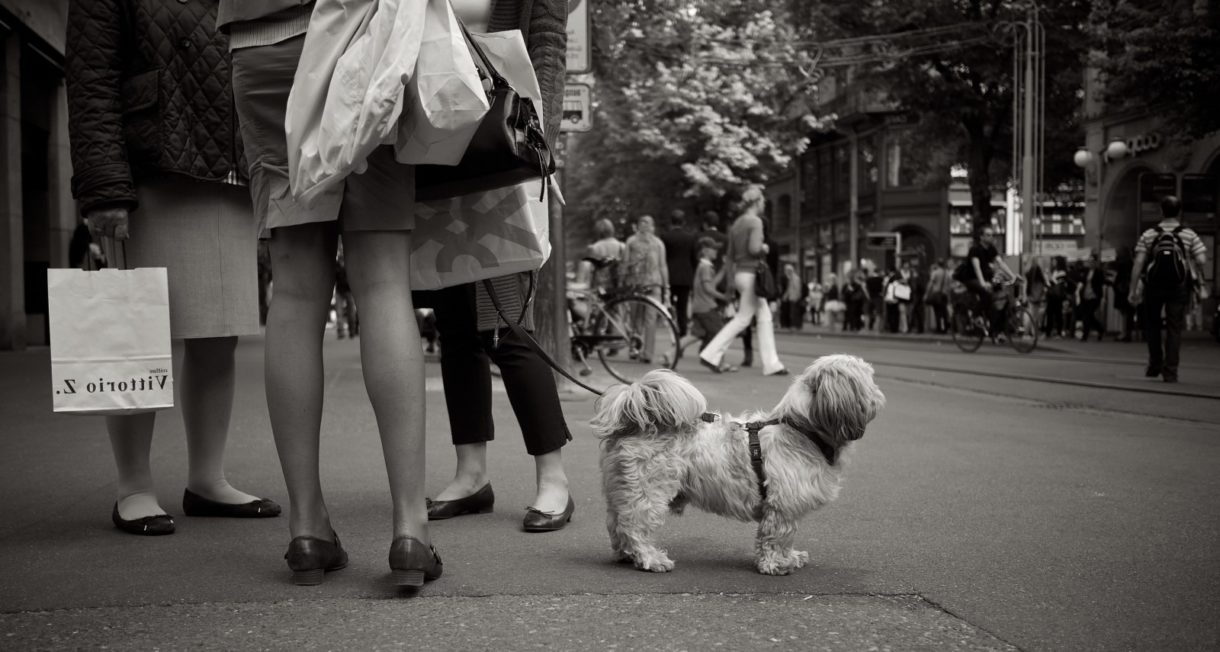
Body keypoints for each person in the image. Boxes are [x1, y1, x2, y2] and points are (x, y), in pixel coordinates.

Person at [66, 0, 280, 537]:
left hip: (229, 166)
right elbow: (90, 76)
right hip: (151, 166)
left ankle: (207, 479)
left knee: (218, 334)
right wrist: (103, 187)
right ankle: (134, 486)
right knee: (137, 331)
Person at [698, 187, 787, 376]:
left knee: (763, 317)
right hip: (752, 274)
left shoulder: (737, 224)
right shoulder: (755, 222)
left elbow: (729, 256)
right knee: (743, 318)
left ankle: (772, 363)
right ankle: (711, 353)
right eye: (762, 201)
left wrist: (730, 282)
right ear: (756, 203)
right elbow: (754, 248)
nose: (763, 205)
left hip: (740, 275)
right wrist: (765, 247)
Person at [1130, 195, 1210, 382]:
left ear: (1161, 211)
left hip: (1154, 285)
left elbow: (1139, 263)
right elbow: (1202, 260)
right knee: (1175, 327)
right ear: (1179, 212)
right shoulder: (1189, 234)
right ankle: (1171, 370)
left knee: (1153, 324)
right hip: (1178, 285)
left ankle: (1154, 364)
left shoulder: (1149, 234)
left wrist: (1133, 290)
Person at [677, 237, 733, 366]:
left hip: (699, 306)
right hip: (706, 307)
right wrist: (723, 297)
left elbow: (710, 284)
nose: (716, 252)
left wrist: (724, 269)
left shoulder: (703, 266)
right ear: (705, 250)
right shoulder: (706, 267)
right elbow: (708, 288)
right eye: (714, 249)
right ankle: (716, 361)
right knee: (721, 333)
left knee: (695, 335)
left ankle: (670, 354)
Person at [952, 226, 1017, 335]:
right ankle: (976, 315)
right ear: (981, 237)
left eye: (992, 235)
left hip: (986, 277)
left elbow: (1001, 263)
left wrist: (1012, 276)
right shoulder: (975, 249)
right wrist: (982, 283)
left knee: (1000, 294)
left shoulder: (991, 249)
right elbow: (976, 268)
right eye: (988, 235)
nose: (991, 237)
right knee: (985, 293)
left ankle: (995, 328)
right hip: (971, 278)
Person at [623, 214, 669, 362]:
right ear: (638, 225)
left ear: (653, 226)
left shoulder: (658, 244)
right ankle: (634, 348)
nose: (644, 225)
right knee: (635, 319)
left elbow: (663, 265)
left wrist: (666, 287)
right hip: (635, 284)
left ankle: (648, 353)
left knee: (650, 319)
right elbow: (625, 263)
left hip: (654, 284)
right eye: (641, 222)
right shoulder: (631, 242)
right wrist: (624, 281)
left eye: (647, 223)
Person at [660, 209, 697, 337]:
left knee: (668, 305)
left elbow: (663, 258)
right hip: (685, 277)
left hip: (669, 275)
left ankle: (672, 328)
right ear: (684, 222)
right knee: (683, 307)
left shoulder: (665, 237)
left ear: (671, 221)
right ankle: (683, 331)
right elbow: (693, 258)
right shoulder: (690, 238)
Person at [1074, 255, 1106, 342]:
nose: (1090, 263)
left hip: (1094, 296)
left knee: (1087, 315)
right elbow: (1081, 280)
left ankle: (1085, 335)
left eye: (1092, 261)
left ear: (1096, 262)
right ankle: (1100, 329)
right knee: (1088, 316)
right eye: (1089, 261)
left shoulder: (1099, 272)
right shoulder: (1086, 271)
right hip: (1085, 295)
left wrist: (1102, 297)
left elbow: (1102, 284)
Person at [779, 264, 807, 331]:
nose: (786, 271)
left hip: (794, 298)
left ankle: (795, 326)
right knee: (793, 312)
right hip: (792, 297)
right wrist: (785, 296)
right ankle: (794, 325)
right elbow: (789, 289)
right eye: (786, 270)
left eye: (788, 270)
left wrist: (797, 297)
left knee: (795, 312)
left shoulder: (795, 278)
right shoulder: (792, 278)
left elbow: (797, 289)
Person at [925, 259, 950, 334]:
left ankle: (939, 328)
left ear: (937, 264)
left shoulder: (935, 273)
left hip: (936, 294)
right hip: (944, 294)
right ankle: (944, 328)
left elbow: (930, 283)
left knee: (937, 312)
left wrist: (926, 293)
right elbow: (949, 285)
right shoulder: (947, 273)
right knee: (944, 312)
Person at [1025, 259, 1049, 337]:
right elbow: (1044, 289)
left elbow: (1027, 288)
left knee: (1030, 315)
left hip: (1031, 297)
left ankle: (1027, 332)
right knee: (1036, 317)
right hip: (1038, 299)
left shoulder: (1029, 278)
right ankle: (1034, 332)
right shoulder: (1041, 281)